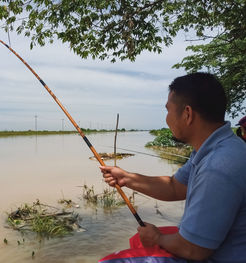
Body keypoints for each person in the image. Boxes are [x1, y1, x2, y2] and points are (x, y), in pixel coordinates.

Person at [100, 72, 246, 262]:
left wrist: (157, 238)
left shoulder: (217, 165)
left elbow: (194, 249)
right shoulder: (214, 148)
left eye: (168, 110)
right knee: (138, 239)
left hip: (215, 255)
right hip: (209, 247)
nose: (167, 119)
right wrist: (126, 178)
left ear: (187, 114)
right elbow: (174, 187)